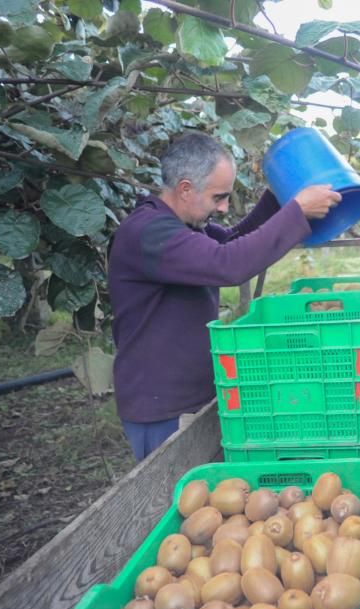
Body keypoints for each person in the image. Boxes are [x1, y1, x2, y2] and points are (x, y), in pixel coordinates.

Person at [108, 132, 341, 461]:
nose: (224, 207)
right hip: (162, 407)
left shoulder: (181, 226)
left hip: (192, 396)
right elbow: (227, 264)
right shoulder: (149, 232)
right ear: (185, 189)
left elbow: (233, 241)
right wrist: (298, 211)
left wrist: (280, 195)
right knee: (175, 501)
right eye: (219, 197)